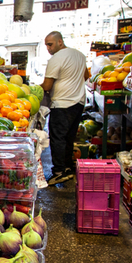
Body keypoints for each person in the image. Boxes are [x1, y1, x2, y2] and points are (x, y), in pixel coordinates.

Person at [41, 31, 90, 185]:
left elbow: (47, 85)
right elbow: (86, 76)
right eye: (46, 45)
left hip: (62, 103)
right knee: (69, 137)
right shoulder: (79, 55)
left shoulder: (56, 58)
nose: (48, 48)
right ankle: (68, 167)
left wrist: (33, 89)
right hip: (78, 102)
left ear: (60, 42)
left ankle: (59, 172)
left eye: (51, 44)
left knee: (57, 138)